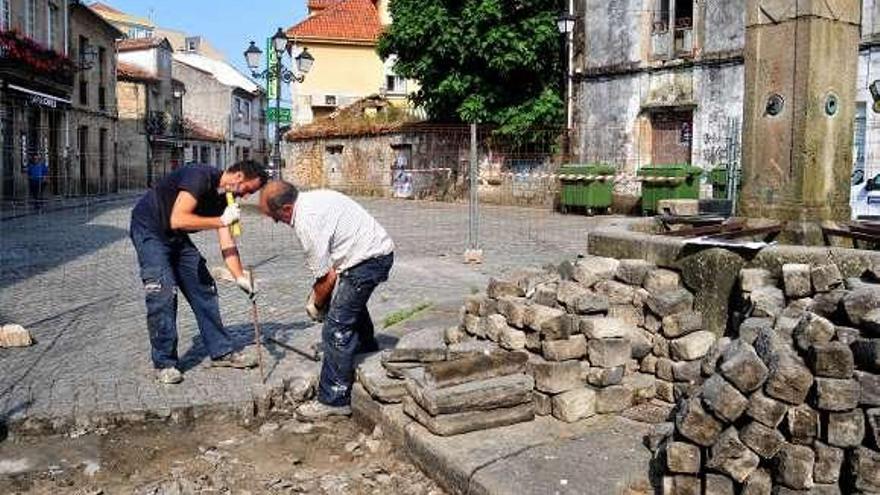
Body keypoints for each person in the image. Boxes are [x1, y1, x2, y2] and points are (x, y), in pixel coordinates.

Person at [259, 180, 394, 420]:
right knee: (349, 305)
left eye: (275, 217)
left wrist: (316, 305)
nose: (274, 221)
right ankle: (363, 351)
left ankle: (334, 400)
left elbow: (326, 279)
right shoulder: (314, 198)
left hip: (368, 260)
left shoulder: (306, 224)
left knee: (336, 327)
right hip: (373, 252)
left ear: (287, 209)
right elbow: (330, 275)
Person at [130, 160, 268, 384]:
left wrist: (240, 276)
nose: (245, 196)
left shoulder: (225, 200)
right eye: (248, 190)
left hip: (175, 237)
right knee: (163, 292)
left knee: (204, 286)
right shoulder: (199, 176)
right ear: (239, 176)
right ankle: (165, 363)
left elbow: (227, 243)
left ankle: (221, 351)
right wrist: (221, 220)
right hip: (150, 229)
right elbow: (178, 218)